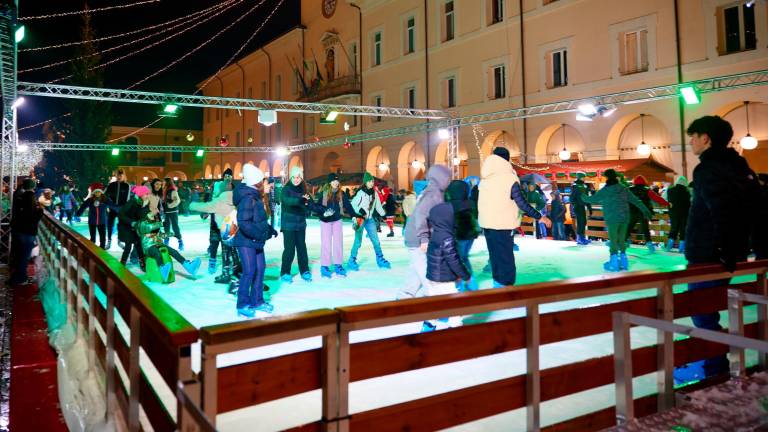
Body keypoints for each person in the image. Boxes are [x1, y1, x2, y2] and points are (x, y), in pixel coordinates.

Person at [677, 116, 758, 381]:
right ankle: (714, 363)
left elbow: (720, 209)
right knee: (706, 310)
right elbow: (754, 206)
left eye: (694, 135)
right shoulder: (738, 165)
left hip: (708, 255)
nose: (691, 141)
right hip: (726, 253)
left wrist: (722, 251)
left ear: (706, 138)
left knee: (701, 312)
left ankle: (713, 367)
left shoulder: (708, 169)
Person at [479, 147, 551, 288]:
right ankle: (506, 290)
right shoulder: (509, 178)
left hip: (487, 225)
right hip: (503, 225)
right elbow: (521, 202)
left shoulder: (485, 179)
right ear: (506, 160)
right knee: (506, 258)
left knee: (495, 257)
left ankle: (497, 285)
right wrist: (539, 217)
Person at [397, 165, 451, 299]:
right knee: (428, 274)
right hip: (417, 238)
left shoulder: (435, 192)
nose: (449, 180)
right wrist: (424, 239)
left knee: (416, 271)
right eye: (447, 178)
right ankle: (436, 310)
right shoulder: (433, 194)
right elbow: (421, 215)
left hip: (416, 237)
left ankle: (404, 296)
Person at [232, 164, 278, 318]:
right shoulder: (248, 199)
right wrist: (259, 235)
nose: (269, 185)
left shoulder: (256, 197)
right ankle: (243, 304)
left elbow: (258, 219)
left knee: (260, 268)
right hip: (246, 241)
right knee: (249, 271)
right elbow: (244, 222)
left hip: (255, 240)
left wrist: (269, 229)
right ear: (258, 183)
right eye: (265, 182)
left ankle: (257, 301)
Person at [584, 169, 651, 272]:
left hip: (612, 218)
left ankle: (614, 262)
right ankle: (624, 261)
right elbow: (635, 200)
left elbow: (592, 199)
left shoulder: (605, 190)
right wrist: (645, 210)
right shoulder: (623, 188)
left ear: (607, 177)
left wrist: (582, 196)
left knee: (614, 240)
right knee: (621, 239)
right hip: (624, 217)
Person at [422, 202, 472, 332]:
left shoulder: (435, 234)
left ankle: (428, 326)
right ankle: (456, 329)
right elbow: (454, 260)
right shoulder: (447, 238)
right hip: (444, 280)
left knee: (433, 305)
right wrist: (465, 275)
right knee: (454, 306)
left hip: (433, 277)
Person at [189, 175, 238, 285]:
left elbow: (206, 207)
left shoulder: (219, 201)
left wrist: (192, 205)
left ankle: (226, 274)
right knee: (234, 251)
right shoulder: (236, 197)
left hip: (225, 228)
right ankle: (236, 272)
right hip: (234, 227)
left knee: (226, 251)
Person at [137, 211, 201, 281]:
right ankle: (162, 269)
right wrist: (161, 224)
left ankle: (189, 266)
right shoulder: (143, 223)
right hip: (148, 247)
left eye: (153, 216)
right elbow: (147, 228)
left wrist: (171, 234)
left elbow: (161, 235)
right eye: (151, 215)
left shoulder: (155, 223)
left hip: (159, 244)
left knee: (174, 252)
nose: (153, 217)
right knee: (157, 254)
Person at [280, 166, 317, 283]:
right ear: (290, 177)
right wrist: (300, 201)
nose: (296, 180)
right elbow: (287, 201)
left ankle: (304, 270)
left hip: (300, 224)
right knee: (289, 250)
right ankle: (285, 272)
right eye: (294, 177)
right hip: (288, 225)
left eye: (298, 177)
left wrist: (316, 208)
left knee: (302, 248)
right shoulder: (285, 190)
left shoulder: (304, 190)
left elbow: (310, 204)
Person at [348, 172, 391, 271]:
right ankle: (352, 260)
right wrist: (360, 210)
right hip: (361, 219)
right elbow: (353, 204)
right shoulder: (360, 193)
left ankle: (380, 258)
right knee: (358, 241)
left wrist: (383, 215)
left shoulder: (375, 193)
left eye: (372, 181)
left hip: (370, 219)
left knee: (375, 240)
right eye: (369, 181)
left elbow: (378, 206)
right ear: (365, 182)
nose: (372, 183)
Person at [445, 180, 481, 292]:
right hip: (470, 234)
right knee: (464, 257)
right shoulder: (469, 202)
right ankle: (470, 281)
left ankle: (460, 283)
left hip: (459, 235)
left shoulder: (450, 204)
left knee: (457, 260)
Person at [315, 173, 350, 278]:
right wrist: (325, 214)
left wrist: (354, 215)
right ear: (329, 182)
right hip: (326, 221)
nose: (336, 182)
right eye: (333, 181)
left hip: (337, 220)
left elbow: (348, 205)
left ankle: (338, 265)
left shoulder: (341, 193)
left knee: (338, 242)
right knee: (326, 243)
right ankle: (324, 266)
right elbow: (320, 207)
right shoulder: (325, 193)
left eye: (337, 181)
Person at [9, 179, 43, 285]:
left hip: (18, 230)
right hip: (26, 231)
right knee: (23, 256)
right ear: (32, 187)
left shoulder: (19, 196)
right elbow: (31, 216)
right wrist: (40, 211)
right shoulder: (29, 197)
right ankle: (20, 279)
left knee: (20, 255)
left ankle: (17, 277)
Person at [626, 175, 669, 252]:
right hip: (643, 212)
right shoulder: (647, 190)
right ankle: (650, 247)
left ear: (634, 182)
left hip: (632, 212)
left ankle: (624, 243)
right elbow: (657, 198)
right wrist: (667, 203)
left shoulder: (629, 190)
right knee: (645, 229)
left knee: (628, 228)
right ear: (644, 182)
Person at [118, 185, 150, 271]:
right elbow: (121, 214)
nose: (147, 196)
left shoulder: (143, 202)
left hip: (137, 228)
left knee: (139, 246)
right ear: (140, 194)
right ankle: (123, 262)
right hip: (127, 228)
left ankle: (143, 264)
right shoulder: (132, 202)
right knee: (128, 246)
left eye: (148, 194)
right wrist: (131, 222)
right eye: (146, 194)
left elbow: (144, 214)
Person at [75, 183, 113, 249]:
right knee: (93, 238)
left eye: (99, 192)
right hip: (92, 221)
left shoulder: (105, 199)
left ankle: (102, 249)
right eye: (96, 192)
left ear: (101, 192)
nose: (97, 193)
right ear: (93, 192)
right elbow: (83, 207)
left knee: (103, 237)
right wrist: (78, 213)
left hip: (102, 221)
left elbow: (113, 205)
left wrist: (120, 210)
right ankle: (92, 250)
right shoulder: (90, 200)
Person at [105, 169, 131, 249]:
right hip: (112, 207)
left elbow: (128, 199)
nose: (119, 177)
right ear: (116, 176)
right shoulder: (111, 185)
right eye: (118, 175)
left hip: (121, 208)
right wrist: (108, 205)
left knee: (121, 225)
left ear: (124, 176)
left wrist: (126, 209)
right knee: (110, 224)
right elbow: (106, 196)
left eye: (121, 175)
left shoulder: (127, 186)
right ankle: (109, 241)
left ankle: (119, 240)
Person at [665, 175, 691, 253]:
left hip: (673, 213)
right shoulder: (687, 192)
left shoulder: (670, 190)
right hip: (684, 213)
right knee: (683, 229)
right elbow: (690, 202)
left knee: (674, 228)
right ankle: (681, 249)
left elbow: (665, 199)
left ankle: (669, 247)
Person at [570, 173, 592, 245]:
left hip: (583, 206)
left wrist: (589, 208)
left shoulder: (585, 186)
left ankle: (582, 238)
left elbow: (587, 198)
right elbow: (572, 198)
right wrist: (575, 205)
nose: (584, 178)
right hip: (578, 207)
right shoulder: (575, 186)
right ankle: (579, 238)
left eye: (584, 177)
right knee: (580, 222)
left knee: (584, 222)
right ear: (579, 177)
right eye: (583, 177)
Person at [162, 177, 183, 251]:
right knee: (166, 227)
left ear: (167, 183)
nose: (163, 183)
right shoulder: (165, 190)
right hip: (167, 212)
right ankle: (166, 242)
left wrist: (169, 205)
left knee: (175, 227)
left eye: (164, 182)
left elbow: (177, 201)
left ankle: (180, 242)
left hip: (173, 211)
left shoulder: (172, 191)